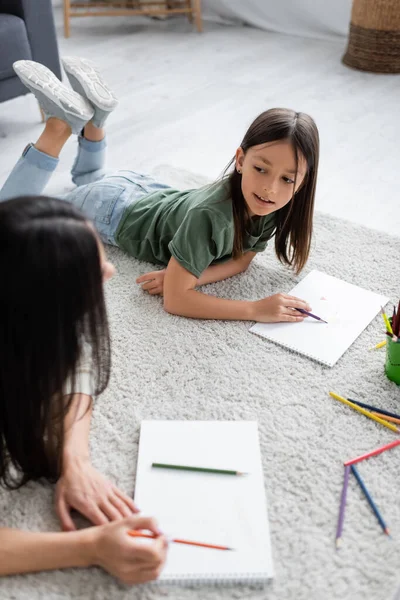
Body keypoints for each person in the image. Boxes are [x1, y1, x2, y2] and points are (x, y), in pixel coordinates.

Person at [1, 57, 320, 325]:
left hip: (140, 190)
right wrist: (253, 309)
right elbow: (177, 301)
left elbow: (240, 262)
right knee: (12, 218)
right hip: (111, 209)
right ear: (240, 159)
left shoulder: (273, 205)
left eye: (287, 179)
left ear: (302, 181)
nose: (270, 187)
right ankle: (58, 127)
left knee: (90, 177)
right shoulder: (209, 216)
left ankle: (95, 118)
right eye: (260, 169)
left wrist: (183, 274)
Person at [0, 195, 167, 581]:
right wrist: (90, 547)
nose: (111, 270)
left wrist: (75, 460)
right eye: (94, 270)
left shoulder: (26, 319)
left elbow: (77, 362)